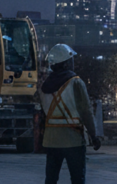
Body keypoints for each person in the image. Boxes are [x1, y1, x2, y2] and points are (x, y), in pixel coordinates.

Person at [40, 43, 102, 184]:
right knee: (77, 178)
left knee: (51, 179)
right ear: (66, 63)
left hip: (51, 140)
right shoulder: (76, 83)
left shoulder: (44, 86)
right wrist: (94, 135)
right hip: (73, 139)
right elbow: (86, 111)